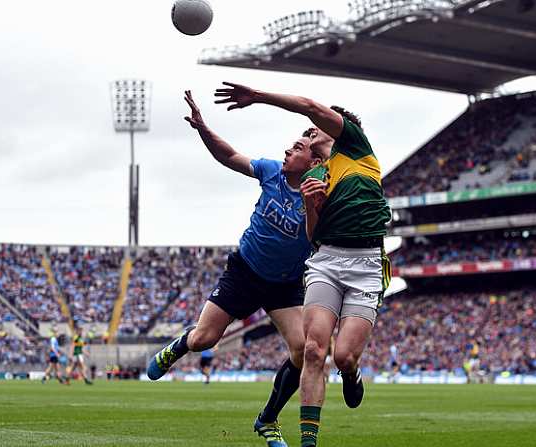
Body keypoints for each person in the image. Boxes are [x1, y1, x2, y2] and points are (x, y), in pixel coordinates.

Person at [146, 90, 333, 447]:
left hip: (285, 284)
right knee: (204, 339)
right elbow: (230, 155)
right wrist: (203, 129)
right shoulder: (270, 171)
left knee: (304, 351)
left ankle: (268, 419)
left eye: (296, 147)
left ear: (313, 161)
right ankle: (177, 347)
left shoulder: (319, 191)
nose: (287, 151)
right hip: (244, 271)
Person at [213, 81, 391, 447]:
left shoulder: (356, 149)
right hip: (327, 259)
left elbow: (309, 105)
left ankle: (352, 373)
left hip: (366, 263)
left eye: (315, 128)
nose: (309, 131)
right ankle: (309, 443)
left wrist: (259, 96)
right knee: (313, 350)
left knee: (343, 356)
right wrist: (311, 204)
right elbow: (313, 236)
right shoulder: (315, 175)